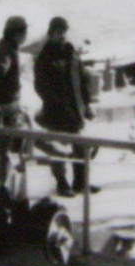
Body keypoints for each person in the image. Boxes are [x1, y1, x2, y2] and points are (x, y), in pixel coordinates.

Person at [34, 16, 96, 196]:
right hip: (56, 111)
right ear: (51, 33)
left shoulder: (71, 52)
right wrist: (55, 103)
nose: (61, 36)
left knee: (80, 146)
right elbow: (40, 86)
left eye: (63, 32)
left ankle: (81, 183)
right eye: (57, 32)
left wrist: (87, 104)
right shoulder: (44, 57)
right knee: (58, 149)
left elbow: (82, 80)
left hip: (76, 109)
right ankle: (62, 182)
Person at [0, 15, 28, 190]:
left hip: (9, 104)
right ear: (18, 33)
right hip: (6, 107)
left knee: (12, 147)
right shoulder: (5, 50)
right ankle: (3, 187)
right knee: (6, 149)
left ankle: (6, 184)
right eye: (25, 32)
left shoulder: (8, 48)